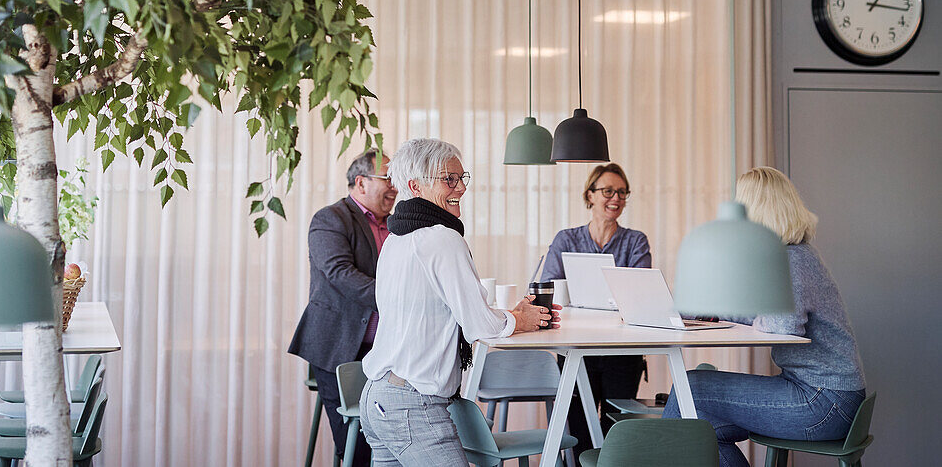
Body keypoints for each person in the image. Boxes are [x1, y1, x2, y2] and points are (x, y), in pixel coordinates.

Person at [359, 138, 560, 466]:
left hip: (379, 398)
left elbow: (447, 310)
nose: (460, 188)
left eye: (461, 178)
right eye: (448, 179)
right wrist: (519, 319)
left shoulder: (397, 237)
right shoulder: (441, 238)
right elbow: (479, 324)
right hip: (412, 404)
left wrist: (512, 315)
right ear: (415, 186)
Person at [663, 166, 866, 467]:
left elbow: (783, 326)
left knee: (692, 388)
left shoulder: (790, 260)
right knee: (699, 422)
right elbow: (763, 312)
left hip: (823, 402)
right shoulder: (794, 254)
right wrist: (708, 309)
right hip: (822, 395)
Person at [288, 149, 399, 466]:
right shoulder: (330, 219)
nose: (394, 186)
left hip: (387, 351)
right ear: (361, 182)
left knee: (395, 440)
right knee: (358, 447)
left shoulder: (397, 225)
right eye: (387, 178)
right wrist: (398, 297)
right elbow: (339, 273)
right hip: (339, 348)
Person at [540, 162, 650, 454]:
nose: (616, 198)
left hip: (622, 352)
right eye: (608, 191)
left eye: (622, 192)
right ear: (590, 195)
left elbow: (640, 297)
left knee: (616, 429)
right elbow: (547, 287)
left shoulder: (635, 241)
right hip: (577, 349)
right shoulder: (566, 239)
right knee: (579, 429)